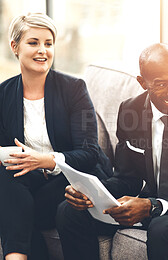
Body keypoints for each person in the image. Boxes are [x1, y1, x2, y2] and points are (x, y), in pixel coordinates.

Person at [56, 43, 168, 260]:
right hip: (152, 206)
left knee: (162, 228)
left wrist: (152, 206)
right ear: (142, 83)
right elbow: (126, 178)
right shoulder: (131, 110)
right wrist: (90, 193)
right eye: (161, 84)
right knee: (69, 211)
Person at [0, 13, 112, 260]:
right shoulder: (4, 94)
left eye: (48, 43)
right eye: (33, 42)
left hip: (70, 180)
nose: (43, 50)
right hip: (27, 185)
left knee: (15, 211)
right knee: (5, 179)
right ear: (15, 47)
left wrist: (47, 160)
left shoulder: (74, 89)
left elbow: (90, 153)